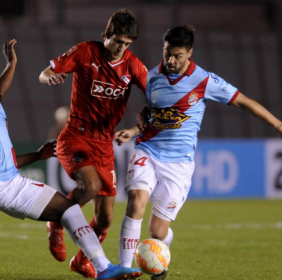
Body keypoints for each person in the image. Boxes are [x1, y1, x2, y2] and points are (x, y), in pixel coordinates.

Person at [0, 39, 143, 280]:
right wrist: (11, 62)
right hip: (3, 186)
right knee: (69, 209)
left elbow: (5, 160)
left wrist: (38, 155)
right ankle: (104, 268)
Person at [114, 25, 282, 280]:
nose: (170, 60)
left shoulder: (205, 80)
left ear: (189, 53)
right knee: (136, 202)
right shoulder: (152, 77)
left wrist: (278, 124)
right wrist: (135, 129)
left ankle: (161, 254)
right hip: (147, 150)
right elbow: (153, 113)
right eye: (167, 53)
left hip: (179, 164)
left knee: (157, 232)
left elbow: (244, 102)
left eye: (177, 56)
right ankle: (124, 269)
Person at [39, 8, 147, 278]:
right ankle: (55, 222)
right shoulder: (87, 51)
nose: (120, 48)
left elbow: (156, 97)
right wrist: (49, 77)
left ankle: (81, 261)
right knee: (91, 186)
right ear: (107, 34)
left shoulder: (133, 65)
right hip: (75, 135)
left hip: (104, 143)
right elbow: (45, 72)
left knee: (105, 218)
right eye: (117, 41)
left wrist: (136, 128)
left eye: (126, 44)